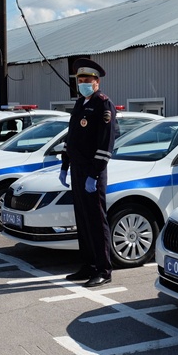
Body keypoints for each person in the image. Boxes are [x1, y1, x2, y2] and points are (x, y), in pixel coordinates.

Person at [59, 58, 119, 288]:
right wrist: (65, 164)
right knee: (82, 221)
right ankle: (88, 265)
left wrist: (94, 174)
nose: (83, 83)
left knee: (95, 221)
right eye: (80, 80)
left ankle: (103, 269)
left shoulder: (103, 105)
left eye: (87, 80)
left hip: (92, 172)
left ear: (97, 82)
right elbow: (72, 137)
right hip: (77, 169)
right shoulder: (80, 104)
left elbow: (106, 144)